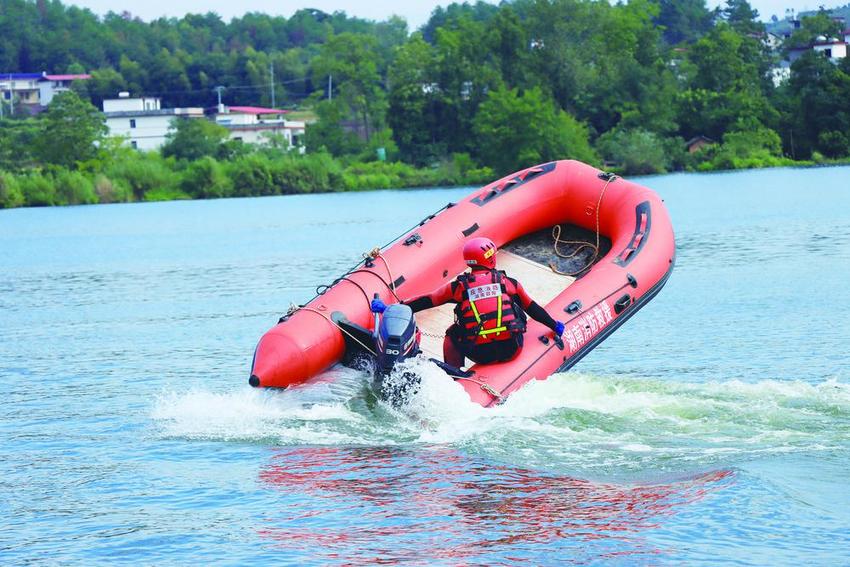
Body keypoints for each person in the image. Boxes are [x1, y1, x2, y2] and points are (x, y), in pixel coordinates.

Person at [371, 236, 565, 368]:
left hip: (479, 353)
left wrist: (392, 308)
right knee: (516, 307)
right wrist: (554, 325)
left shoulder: (458, 288)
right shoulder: (508, 283)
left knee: (452, 333)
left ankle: (454, 374)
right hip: (511, 349)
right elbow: (533, 308)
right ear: (490, 258)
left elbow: (426, 301)